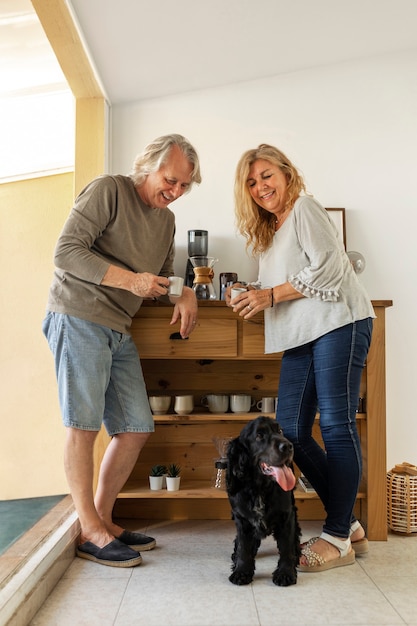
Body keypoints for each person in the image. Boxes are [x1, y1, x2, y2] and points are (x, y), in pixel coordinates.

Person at [43, 134, 201, 568]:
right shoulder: (108, 189)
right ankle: (88, 528)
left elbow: (166, 277)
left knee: (135, 426)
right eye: (170, 181)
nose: (175, 192)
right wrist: (130, 281)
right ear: (147, 165)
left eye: (184, 186)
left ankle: (105, 520)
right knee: (83, 426)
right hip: (78, 315)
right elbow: (66, 252)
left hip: (117, 326)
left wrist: (182, 292)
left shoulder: (165, 222)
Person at [226, 143, 374, 572]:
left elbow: (329, 266)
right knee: (290, 430)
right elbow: (286, 281)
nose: (260, 186)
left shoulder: (306, 208)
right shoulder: (272, 231)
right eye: (251, 182)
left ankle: (337, 537)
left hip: (338, 323)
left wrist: (269, 294)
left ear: (286, 172)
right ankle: (349, 524)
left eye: (266, 175)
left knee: (336, 424)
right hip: (303, 334)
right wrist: (250, 291)